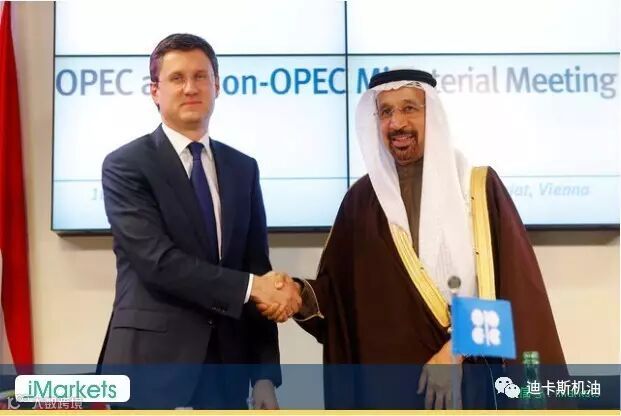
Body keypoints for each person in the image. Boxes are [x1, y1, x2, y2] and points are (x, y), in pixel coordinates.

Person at [259, 68, 566, 410]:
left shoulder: (477, 189)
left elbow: (513, 294)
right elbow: (340, 302)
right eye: (386, 112)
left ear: (432, 116)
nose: (397, 123)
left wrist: (455, 352)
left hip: (468, 388)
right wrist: (296, 294)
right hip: (386, 396)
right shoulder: (361, 201)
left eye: (409, 108)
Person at [99, 33, 300, 409]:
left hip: (225, 373)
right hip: (149, 368)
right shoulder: (126, 165)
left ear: (217, 86)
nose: (190, 88)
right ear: (155, 91)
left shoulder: (243, 168)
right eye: (177, 78)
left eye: (200, 76)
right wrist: (252, 287)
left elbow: (256, 266)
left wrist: (263, 376)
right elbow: (158, 262)